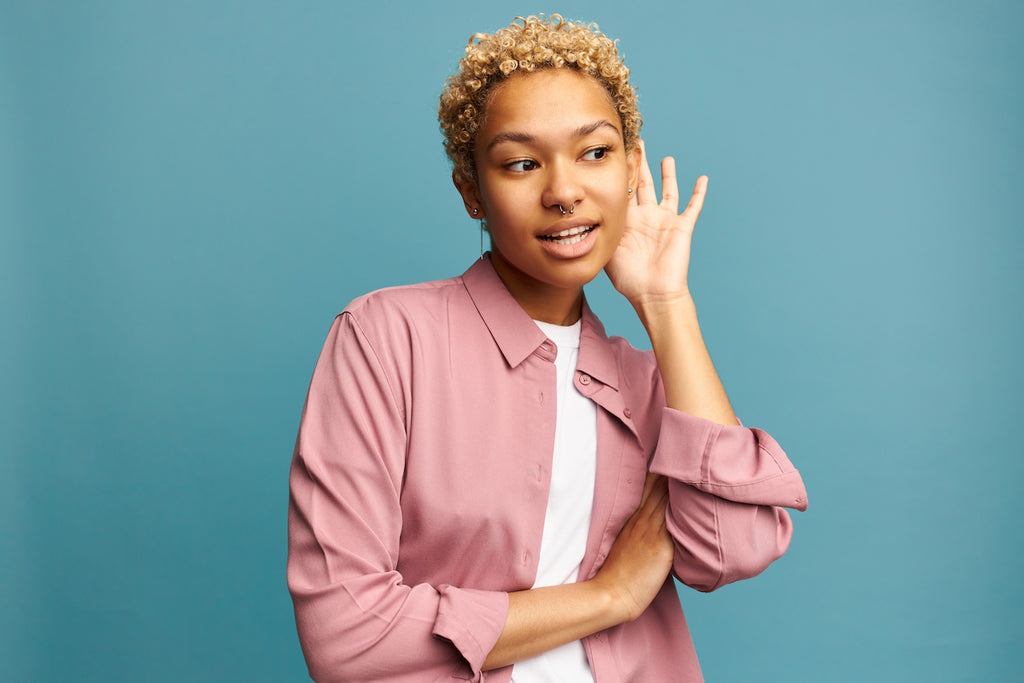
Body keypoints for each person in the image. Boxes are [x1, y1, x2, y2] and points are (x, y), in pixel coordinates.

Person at [287, 14, 807, 683]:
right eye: (522, 164)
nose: (564, 192)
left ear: (630, 168)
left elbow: (732, 550)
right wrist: (609, 596)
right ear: (471, 189)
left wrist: (665, 304)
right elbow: (345, 634)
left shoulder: (649, 382)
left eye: (595, 153)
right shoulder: (387, 339)